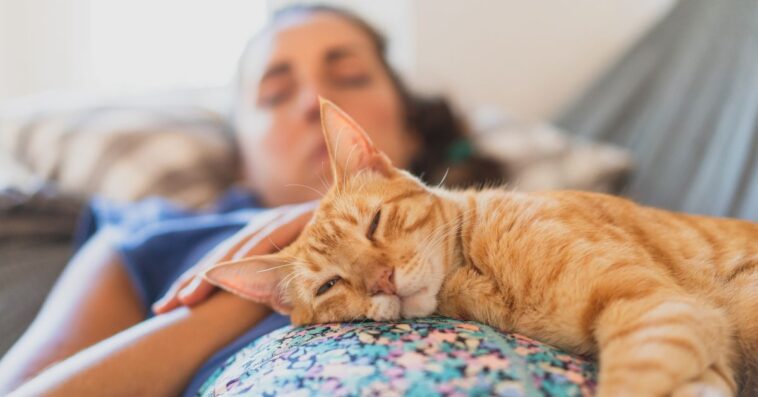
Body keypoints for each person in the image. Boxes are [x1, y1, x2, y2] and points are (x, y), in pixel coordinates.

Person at [0, 5, 503, 396]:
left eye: (350, 76)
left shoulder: (514, 217)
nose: (313, 103)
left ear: (408, 121)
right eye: (276, 93)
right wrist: (265, 289)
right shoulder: (143, 240)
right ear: (241, 154)